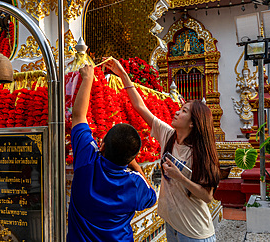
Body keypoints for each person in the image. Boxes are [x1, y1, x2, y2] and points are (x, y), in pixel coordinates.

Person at [103, 58, 220, 242]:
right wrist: (123, 74)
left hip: (195, 232)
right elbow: (140, 107)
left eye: (183, 111)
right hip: (172, 225)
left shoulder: (198, 152)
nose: (176, 112)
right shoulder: (168, 135)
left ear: (192, 123)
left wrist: (179, 177)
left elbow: (207, 196)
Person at [67, 65, 157, 241]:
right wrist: (135, 164)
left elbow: (78, 116)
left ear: (101, 146)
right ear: (131, 158)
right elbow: (152, 196)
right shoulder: (135, 183)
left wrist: (87, 78)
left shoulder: (87, 161)